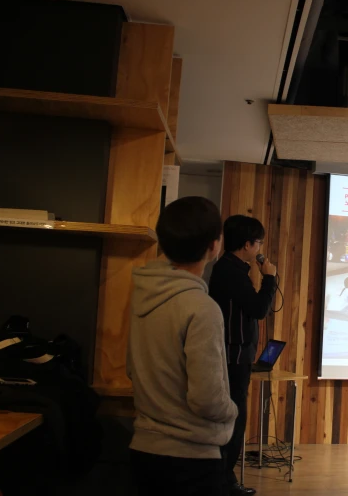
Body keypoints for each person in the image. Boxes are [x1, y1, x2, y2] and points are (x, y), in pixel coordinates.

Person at [127, 197, 238, 496]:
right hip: (191, 460)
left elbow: (130, 368)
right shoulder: (201, 308)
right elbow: (207, 399)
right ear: (214, 246)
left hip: (143, 449)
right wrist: (233, 411)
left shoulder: (142, 293)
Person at [208, 215, 277, 496]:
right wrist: (270, 277)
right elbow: (258, 309)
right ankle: (224, 483)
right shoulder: (232, 272)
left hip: (234, 355)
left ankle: (224, 480)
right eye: (258, 242)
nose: (260, 247)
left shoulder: (230, 268)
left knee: (233, 419)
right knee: (235, 420)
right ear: (248, 244)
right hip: (234, 357)